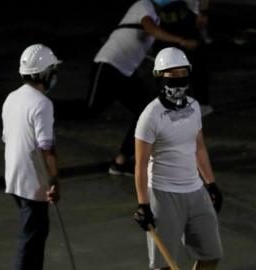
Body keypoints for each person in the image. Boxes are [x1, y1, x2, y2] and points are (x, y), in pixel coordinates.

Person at [133, 47, 223, 270]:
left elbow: (199, 147)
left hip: (195, 191)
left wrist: (210, 184)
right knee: (164, 265)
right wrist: (143, 204)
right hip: (164, 195)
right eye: (171, 76)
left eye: (182, 75)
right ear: (159, 78)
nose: (178, 82)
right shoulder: (150, 117)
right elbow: (141, 165)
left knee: (211, 254)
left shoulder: (193, 107)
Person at [87, 0, 199, 176]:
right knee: (90, 109)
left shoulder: (157, 19)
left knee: (146, 112)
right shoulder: (144, 5)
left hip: (125, 71)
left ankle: (120, 161)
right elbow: (150, 29)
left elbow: (156, 35)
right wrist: (182, 41)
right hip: (109, 64)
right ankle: (46, 108)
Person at [2, 44, 61, 270]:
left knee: (36, 233)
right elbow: (46, 147)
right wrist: (54, 182)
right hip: (33, 181)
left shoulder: (12, 98)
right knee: (31, 241)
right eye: (53, 70)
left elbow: (8, 138)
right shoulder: (42, 103)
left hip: (14, 176)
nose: (55, 75)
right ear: (44, 74)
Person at [154, 0, 214, 116]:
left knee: (195, 62)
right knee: (168, 62)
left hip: (185, 16)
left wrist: (203, 13)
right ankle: (174, 102)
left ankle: (202, 103)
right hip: (164, 17)